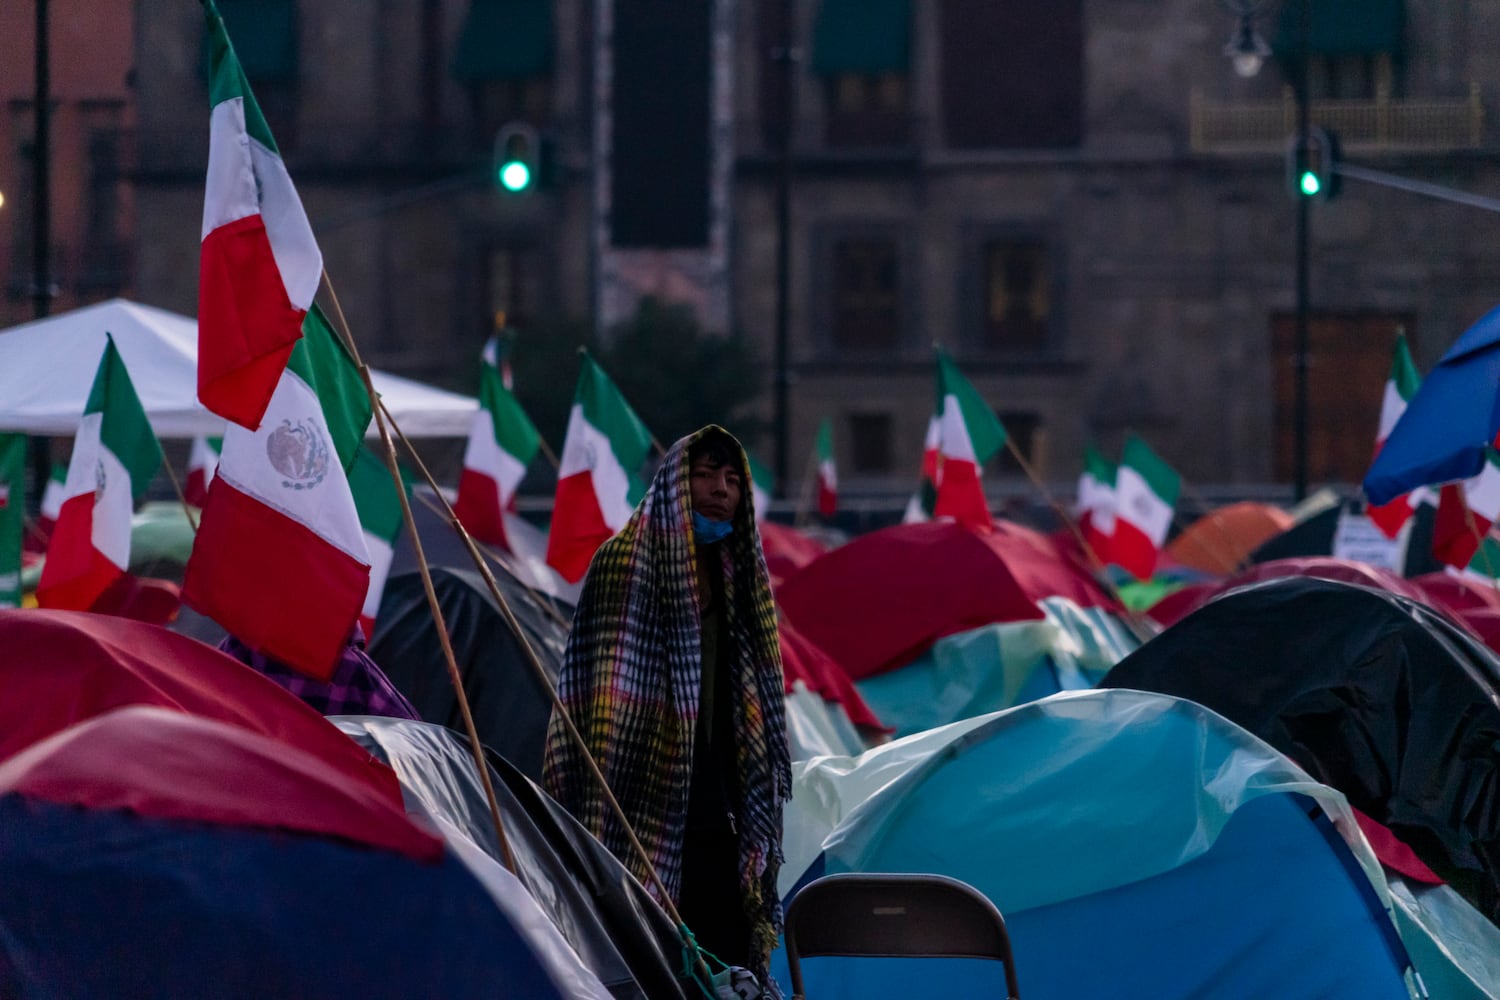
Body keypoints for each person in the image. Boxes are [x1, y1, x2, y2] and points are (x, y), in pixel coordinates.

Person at [543, 425, 790, 986]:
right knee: (648, 960)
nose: (719, 489)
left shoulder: (742, 577)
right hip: (639, 802)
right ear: (675, 484)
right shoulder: (623, 565)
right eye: (704, 474)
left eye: (730, 479)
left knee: (725, 964)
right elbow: (599, 703)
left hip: (722, 807)